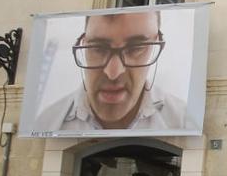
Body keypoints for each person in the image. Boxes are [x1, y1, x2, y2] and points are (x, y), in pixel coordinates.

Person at [34, 10, 187, 133]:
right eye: (98, 48)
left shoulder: (182, 120)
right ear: (84, 43)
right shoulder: (46, 122)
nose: (113, 72)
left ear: (157, 44)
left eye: (135, 48)